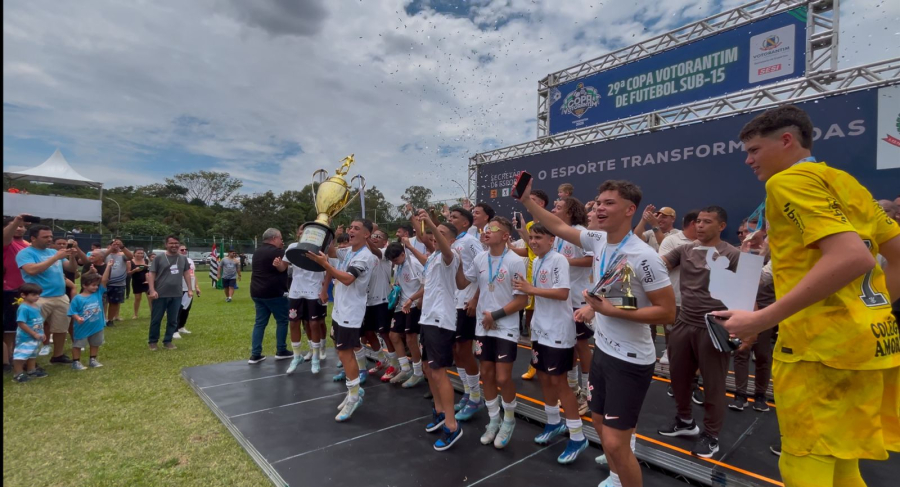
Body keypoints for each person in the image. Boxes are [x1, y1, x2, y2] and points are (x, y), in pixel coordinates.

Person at [716, 105, 900, 487]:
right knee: (844, 467)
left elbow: (851, 256)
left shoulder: (787, 182)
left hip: (817, 350)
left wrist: (762, 319)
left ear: (786, 140)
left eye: (754, 150)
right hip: (870, 345)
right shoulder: (847, 183)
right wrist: (866, 312)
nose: (748, 160)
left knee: (804, 467)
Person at [519, 179, 676, 487]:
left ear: (630, 210)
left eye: (609, 203)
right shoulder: (599, 240)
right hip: (604, 352)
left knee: (616, 443)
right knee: (603, 429)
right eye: (598, 202)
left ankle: (623, 477)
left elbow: (667, 313)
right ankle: (617, 478)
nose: (600, 208)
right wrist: (527, 201)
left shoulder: (645, 256)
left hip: (630, 361)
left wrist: (609, 310)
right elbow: (559, 227)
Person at [657, 206, 740, 458]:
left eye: (707, 222)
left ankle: (711, 435)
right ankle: (685, 421)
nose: (700, 225)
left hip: (714, 326)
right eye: (699, 221)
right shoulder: (685, 249)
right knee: (678, 377)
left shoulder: (733, 254)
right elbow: (659, 263)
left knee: (713, 384)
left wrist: (747, 332)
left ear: (721, 226)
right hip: (684, 321)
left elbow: (747, 294)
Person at [511, 223, 588, 464]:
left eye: (538, 237)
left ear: (551, 240)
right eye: (531, 237)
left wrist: (530, 289)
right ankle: (553, 422)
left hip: (558, 330)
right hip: (541, 330)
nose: (533, 241)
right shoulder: (540, 260)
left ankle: (577, 436)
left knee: (559, 382)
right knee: (544, 376)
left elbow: (563, 293)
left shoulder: (558, 260)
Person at [464, 216, 528, 449]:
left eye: (493, 229)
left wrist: (495, 315)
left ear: (505, 236)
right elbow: (464, 282)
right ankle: (493, 420)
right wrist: (449, 254)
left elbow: (522, 300)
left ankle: (509, 420)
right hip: (483, 326)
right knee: (487, 375)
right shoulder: (480, 257)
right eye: (486, 228)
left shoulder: (514, 261)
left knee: (503, 377)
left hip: (505, 326)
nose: (487, 232)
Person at [307, 219, 378, 422]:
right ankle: (353, 391)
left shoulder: (365, 257)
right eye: (350, 227)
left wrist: (325, 266)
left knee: (346, 354)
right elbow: (330, 250)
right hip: (340, 310)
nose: (351, 230)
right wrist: (324, 228)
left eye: (356, 228)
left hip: (351, 313)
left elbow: (347, 278)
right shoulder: (349, 251)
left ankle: (354, 396)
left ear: (367, 234)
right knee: (341, 351)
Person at [415, 210, 466, 450]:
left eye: (443, 234)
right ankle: (438, 411)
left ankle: (451, 424)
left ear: (453, 240)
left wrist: (431, 225)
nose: (437, 238)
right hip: (428, 319)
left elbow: (444, 248)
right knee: (428, 368)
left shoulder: (451, 254)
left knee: (438, 371)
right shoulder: (433, 257)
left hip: (441, 320)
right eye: (436, 234)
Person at [551, 197, 594, 415]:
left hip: (578, 298)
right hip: (563, 299)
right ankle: (574, 389)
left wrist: (565, 262)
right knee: (569, 345)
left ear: (569, 211)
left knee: (581, 345)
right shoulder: (560, 234)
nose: (553, 209)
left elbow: (591, 260)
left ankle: (588, 392)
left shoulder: (579, 232)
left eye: (558, 207)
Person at [446, 206, 486, 421]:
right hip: (452, 303)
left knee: (463, 349)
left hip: (466, 303)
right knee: (454, 349)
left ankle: (476, 397)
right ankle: (468, 391)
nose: (450, 219)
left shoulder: (470, 242)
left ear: (465, 223)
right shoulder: (452, 243)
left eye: (455, 217)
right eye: (449, 216)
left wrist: (475, 298)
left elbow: (484, 268)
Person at [16, 225, 77, 364]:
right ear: (33, 238)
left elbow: (71, 269)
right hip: (37, 298)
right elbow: (31, 270)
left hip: (60, 296)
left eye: (50, 236)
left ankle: (58, 355)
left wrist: (72, 257)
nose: (49, 239)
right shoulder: (25, 253)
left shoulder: (52, 252)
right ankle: (28, 361)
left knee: (61, 328)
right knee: (33, 329)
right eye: (45, 237)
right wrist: (56, 258)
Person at [508, 189, 551, 381]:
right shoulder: (531, 224)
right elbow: (528, 251)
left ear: (541, 204)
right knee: (531, 321)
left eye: (532, 200)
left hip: (547, 278)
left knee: (548, 321)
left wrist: (524, 232)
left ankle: (552, 364)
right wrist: (510, 247)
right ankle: (534, 363)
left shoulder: (550, 222)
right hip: (530, 277)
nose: (527, 203)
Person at [275, 225, 329, 375]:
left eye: (307, 231)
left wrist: (324, 290)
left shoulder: (320, 247)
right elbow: (283, 268)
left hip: (314, 290)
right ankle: (297, 356)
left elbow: (328, 268)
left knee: (313, 324)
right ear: (298, 233)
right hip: (296, 291)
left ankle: (316, 357)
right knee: (293, 323)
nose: (303, 233)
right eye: (301, 230)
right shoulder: (292, 247)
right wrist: (278, 265)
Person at [730, 232, 774, 412]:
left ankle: (760, 395)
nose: (755, 239)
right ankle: (740, 395)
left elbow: (760, 279)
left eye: (762, 236)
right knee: (741, 352)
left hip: (767, 313)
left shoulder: (776, 259)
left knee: (763, 354)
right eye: (745, 233)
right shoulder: (742, 254)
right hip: (745, 309)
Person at [656, 211, 699, 365]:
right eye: (702, 221)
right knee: (671, 327)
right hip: (676, 294)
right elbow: (662, 265)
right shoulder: (672, 240)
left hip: (699, 298)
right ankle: (669, 350)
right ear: (694, 223)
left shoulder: (708, 242)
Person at [385, 241, 426, 387]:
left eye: (395, 259)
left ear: (403, 254)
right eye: (392, 261)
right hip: (401, 304)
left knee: (410, 338)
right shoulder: (398, 265)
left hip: (413, 305)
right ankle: (405, 368)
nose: (393, 263)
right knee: (393, 335)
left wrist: (416, 299)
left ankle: (418, 372)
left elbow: (426, 283)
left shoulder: (414, 263)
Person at [248, 228, 291, 363]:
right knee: (282, 320)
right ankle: (281, 349)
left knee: (260, 323)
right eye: (280, 239)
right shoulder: (278, 252)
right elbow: (284, 266)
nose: (281, 241)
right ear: (274, 238)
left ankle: (255, 353)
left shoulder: (257, 252)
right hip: (274, 292)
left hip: (257, 291)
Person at [362, 229, 397, 382]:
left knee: (385, 333)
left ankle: (394, 365)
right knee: (368, 333)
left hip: (382, 300)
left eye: (378, 236)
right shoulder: (365, 255)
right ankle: (382, 359)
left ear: (385, 242)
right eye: (373, 236)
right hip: (368, 300)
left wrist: (367, 237)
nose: (375, 238)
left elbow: (376, 251)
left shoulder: (384, 253)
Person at [146, 235, 192, 351]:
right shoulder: (159, 258)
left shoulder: (182, 259)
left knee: (173, 319)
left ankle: (168, 341)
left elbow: (186, 273)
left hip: (176, 294)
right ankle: (153, 341)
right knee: (156, 319)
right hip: (160, 293)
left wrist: (190, 289)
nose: (174, 245)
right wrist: (152, 290)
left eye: (176, 243)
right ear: (166, 244)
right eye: (171, 243)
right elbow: (152, 274)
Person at [67, 262, 112, 370]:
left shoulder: (97, 293)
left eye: (96, 285)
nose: (96, 287)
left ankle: (93, 359)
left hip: (97, 325)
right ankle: (76, 362)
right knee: (78, 344)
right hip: (82, 327)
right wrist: (78, 318)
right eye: (93, 285)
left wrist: (109, 266)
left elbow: (104, 280)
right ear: (84, 286)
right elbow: (72, 311)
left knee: (95, 343)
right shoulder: (78, 298)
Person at [4, 215, 31, 373]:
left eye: (22, 226)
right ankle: (7, 359)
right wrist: (15, 221)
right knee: (9, 328)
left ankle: (18, 356)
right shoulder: (8, 242)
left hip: (25, 290)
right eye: (16, 225)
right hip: (9, 289)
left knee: (20, 326)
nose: (19, 228)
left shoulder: (26, 244)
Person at [11, 283, 48, 383]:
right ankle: (18, 373)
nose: (37, 297)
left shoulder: (36, 306)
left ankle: (31, 370)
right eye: (34, 295)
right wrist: (33, 333)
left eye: (38, 294)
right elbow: (21, 323)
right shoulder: (24, 308)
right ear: (23, 295)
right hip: (25, 337)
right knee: (21, 355)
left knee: (32, 354)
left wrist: (41, 333)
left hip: (36, 336)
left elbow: (39, 321)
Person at [104, 239, 133, 325]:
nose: (115, 246)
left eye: (117, 244)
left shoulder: (122, 255)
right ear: (109, 245)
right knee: (103, 302)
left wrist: (123, 247)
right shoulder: (105, 254)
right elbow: (101, 257)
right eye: (113, 244)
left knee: (114, 302)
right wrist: (110, 249)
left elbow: (131, 257)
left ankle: (110, 320)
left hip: (118, 284)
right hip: (104, 283)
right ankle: (102, 319)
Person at [175, 245, 201, 338]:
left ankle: (181, 326)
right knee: (178, 309)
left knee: (186, 309)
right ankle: (175, 330)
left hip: (189, 288)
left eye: (186, 249)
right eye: (182, 249)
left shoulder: (190, 260)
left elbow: (193, 274)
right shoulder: (175, 260)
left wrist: (196, 286)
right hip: (179, 288)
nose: (184, 251)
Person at [128, 248, 150, 319]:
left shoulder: (146, 261)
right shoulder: (130, 262)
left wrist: (147, 267)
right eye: (138, 253)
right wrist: (135, 270)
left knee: (150, 298)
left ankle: (153, 312)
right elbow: (128, 273)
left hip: (147, 281)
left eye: (141, 253)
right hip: (136, 281)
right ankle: (135, 314)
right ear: (134, 254)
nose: (140, 255)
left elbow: (151, 270)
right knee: (137, 298)